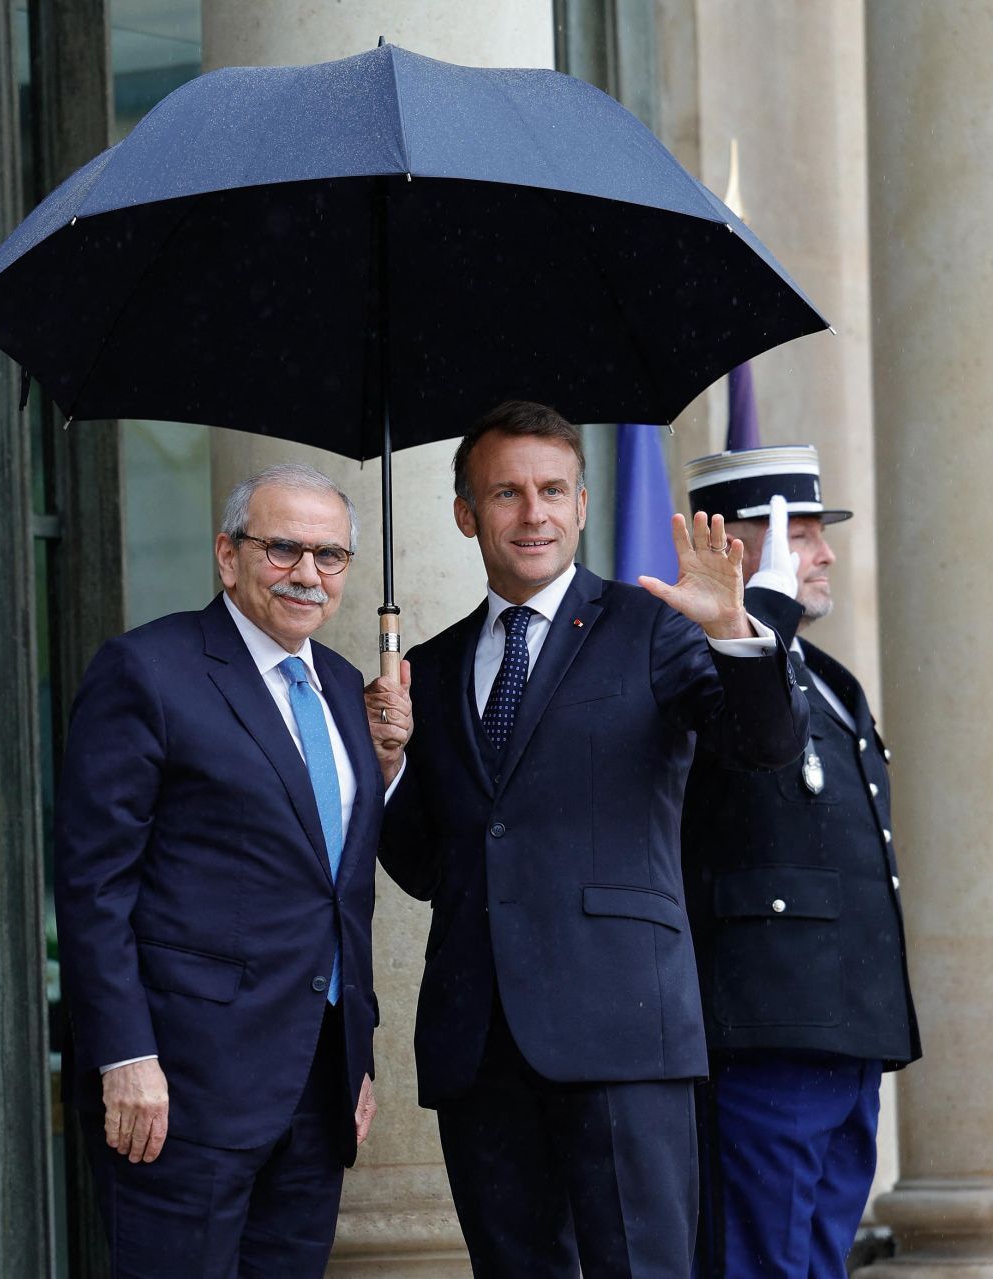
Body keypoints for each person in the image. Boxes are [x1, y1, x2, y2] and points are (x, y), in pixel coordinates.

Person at [368, 400, 809, 1278]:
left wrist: (730, 629)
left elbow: (763, 748)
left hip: (623, 1031)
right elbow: (428, 866)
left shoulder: (655, 628)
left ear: (579, 504)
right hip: (479, 1043)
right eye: (506, 493)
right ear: (467, 514)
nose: (532, 513)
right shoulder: (432, 663)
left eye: (552, 490)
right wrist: (389, 765)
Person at [54, 462, 399, 1277]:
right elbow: (93, 883)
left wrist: (356, 1047)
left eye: (330, 555)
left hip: (316, 1090)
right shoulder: (148, 670)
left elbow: (338, 890)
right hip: (180, 1090)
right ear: (226, 554)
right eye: (282, 548)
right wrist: (125, 1054)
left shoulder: (349, 689)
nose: (308, 574)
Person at [679, 446, 919, 1279]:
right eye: (803, 535)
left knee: (818, 1262)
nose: (823, 555)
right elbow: (747, 742)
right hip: (765, 1036)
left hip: (842, 1029)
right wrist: (755, 619)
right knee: (762, 1263)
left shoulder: (826, 674)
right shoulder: (695, 660)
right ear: (737, 548)